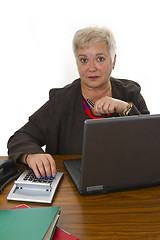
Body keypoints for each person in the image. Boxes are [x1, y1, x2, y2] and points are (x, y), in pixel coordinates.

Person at [7, 26, 150, 179]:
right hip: (71, 187)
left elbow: (150, 142)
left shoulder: (130, 93)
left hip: (124, 181)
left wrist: (125, 108)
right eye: (84, 60)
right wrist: (31, 156)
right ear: (77, 62)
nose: (91, 68)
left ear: (113, 61)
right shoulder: (60, 100)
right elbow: (20, 137)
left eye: (100, 59)